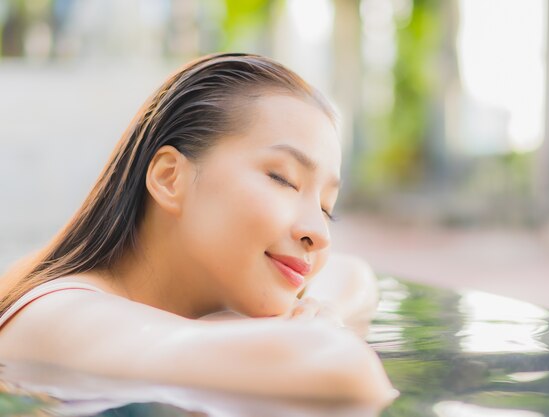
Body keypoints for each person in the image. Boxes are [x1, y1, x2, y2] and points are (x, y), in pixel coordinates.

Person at [0, 53, 397, 404]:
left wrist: (310, 315)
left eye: (328, 208)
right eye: (283, 179)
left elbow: (355, 276)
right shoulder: (61, 315)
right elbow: (344, 372)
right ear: (170, 178)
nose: (320, 233)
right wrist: (300, 333)